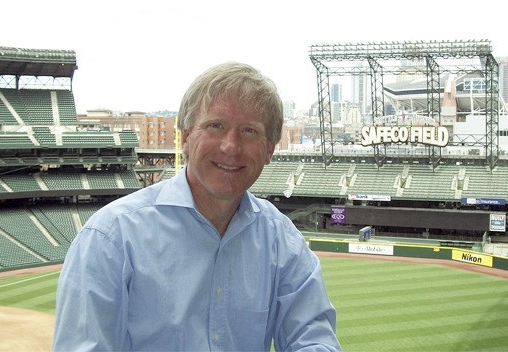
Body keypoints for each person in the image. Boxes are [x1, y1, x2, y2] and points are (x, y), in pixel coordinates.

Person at [53, 62, 342, 351]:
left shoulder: (282, 241)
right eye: (215, 126)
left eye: (249, 131)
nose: (231, 146)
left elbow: (315, 339)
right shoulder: (110, 238)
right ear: (188, 139)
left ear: (269, 150)